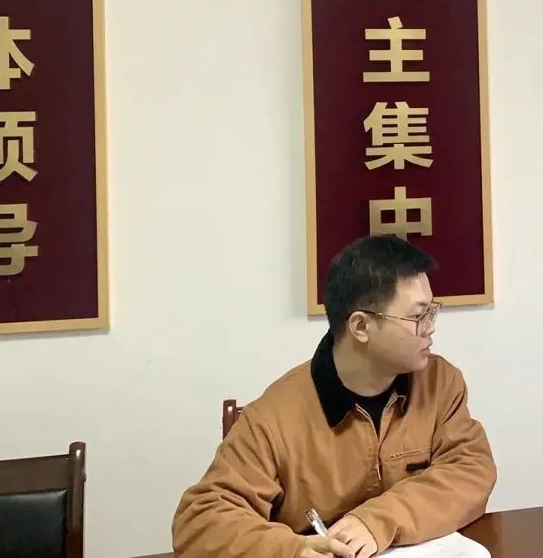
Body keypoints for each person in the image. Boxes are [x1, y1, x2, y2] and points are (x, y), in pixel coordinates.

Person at [173, 235, 496, 558]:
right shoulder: (274, 417)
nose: (430, 328)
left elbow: (471, 469)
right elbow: (201, 522)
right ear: (361, 327)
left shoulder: (439, 383)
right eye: (417, 317)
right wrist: (292, 550)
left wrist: (379, 521)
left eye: (431, 312)